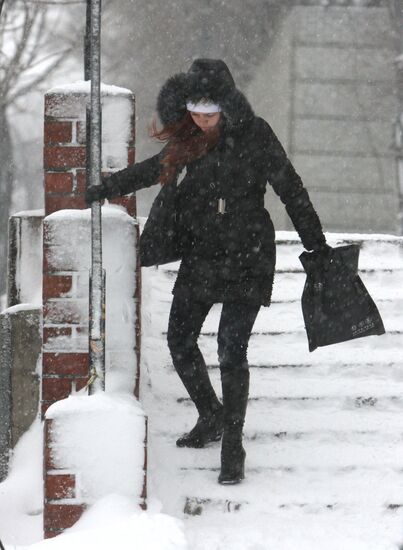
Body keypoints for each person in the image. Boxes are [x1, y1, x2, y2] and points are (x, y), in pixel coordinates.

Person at [86, 58, 328, 485]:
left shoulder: (256, 135)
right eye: (194, 110)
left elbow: (290, 187)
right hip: (202, 253)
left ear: (228, 106)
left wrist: (317, 244)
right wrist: (106, 188)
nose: (201, 119)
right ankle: (211, 415)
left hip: (249, 253)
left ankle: (233, 442)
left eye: (209, 112)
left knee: (231, 348)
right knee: (180, 339)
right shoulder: (186, 140)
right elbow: (150, 170)